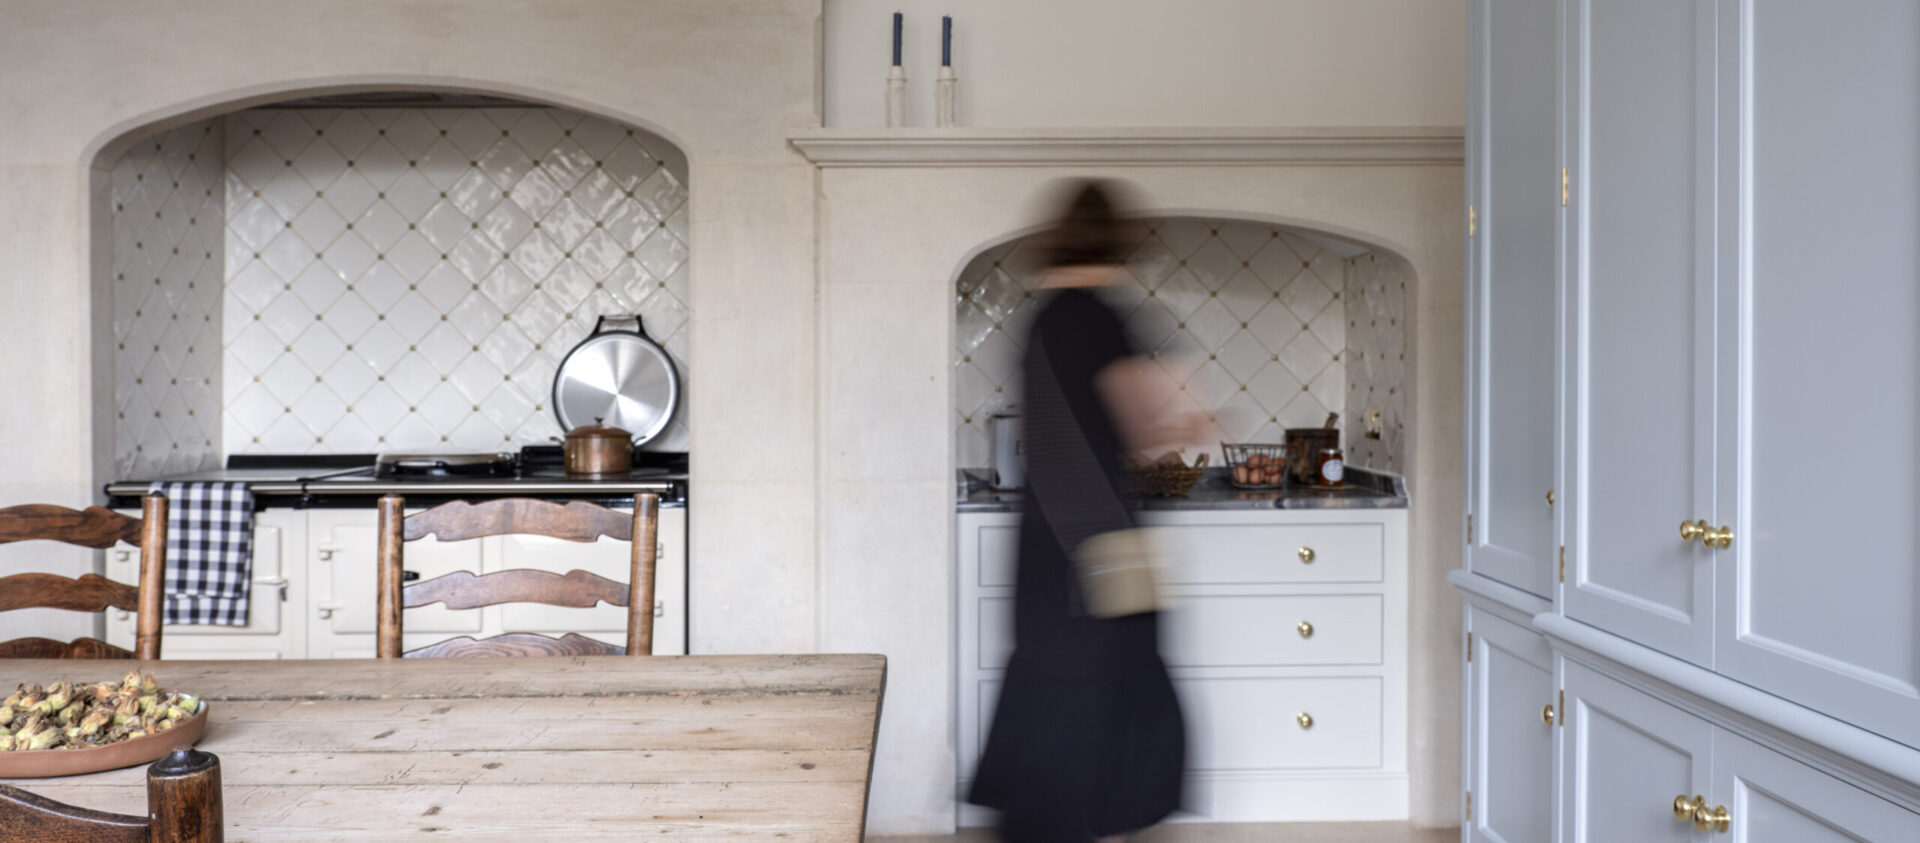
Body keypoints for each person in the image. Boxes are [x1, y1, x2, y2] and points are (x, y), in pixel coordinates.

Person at [968, 180, 1199, 842]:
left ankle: (1054, 822)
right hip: (1100, 541)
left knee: (1053, 681)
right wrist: (1193, 418)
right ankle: (1106, 824)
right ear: (1120, 239)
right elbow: (1143, 431)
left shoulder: (1041, 319)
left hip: (1045, 540)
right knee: (1111, 685)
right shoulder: (1103, 318)